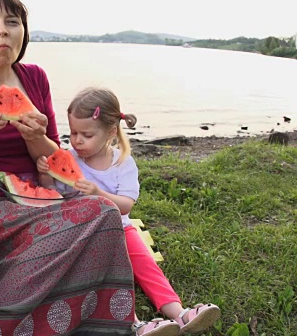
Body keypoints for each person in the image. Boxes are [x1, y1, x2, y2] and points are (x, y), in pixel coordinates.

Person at [0, 0, 136, 335]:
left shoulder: (35, 78)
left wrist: (34, 136)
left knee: (106, 215)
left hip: (38, 195)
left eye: (12, 21)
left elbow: (53, 158)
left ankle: (101, 325)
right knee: (92, 219)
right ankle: (2, 319)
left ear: (23, 32)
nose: (2, 31)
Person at [36, 87, 222, 336]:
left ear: (111, 132)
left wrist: (97, 193)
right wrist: (44, 173)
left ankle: (181, 314)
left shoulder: (122, 162)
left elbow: (126, 205)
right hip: (84, 234)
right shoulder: (68, 158)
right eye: (73, 133)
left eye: (86, 135)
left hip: (121, 226)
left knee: (146, 265)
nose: (77, 140)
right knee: (113, 274)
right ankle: (134, 323)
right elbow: (52, 191)